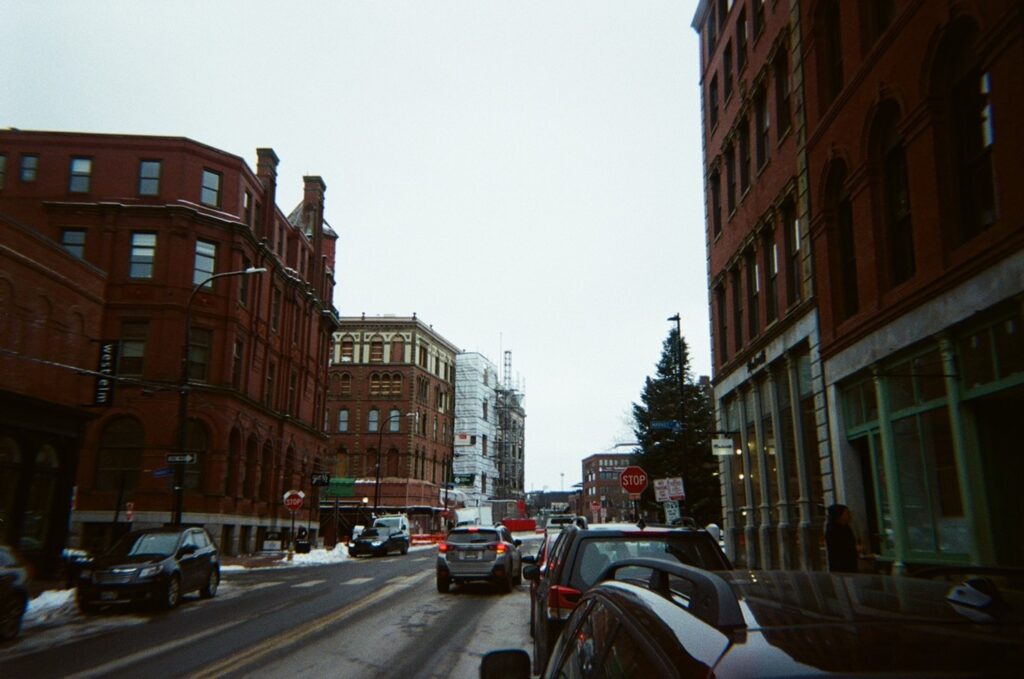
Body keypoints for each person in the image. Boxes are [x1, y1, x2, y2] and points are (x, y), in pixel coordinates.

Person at [825, 504, 859, 573]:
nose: (850, 515)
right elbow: (837, 549)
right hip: (840, 566)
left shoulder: (847, 528)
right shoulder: (832, 530)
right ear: (839, 516)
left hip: (851, 563)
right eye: (847, 513)